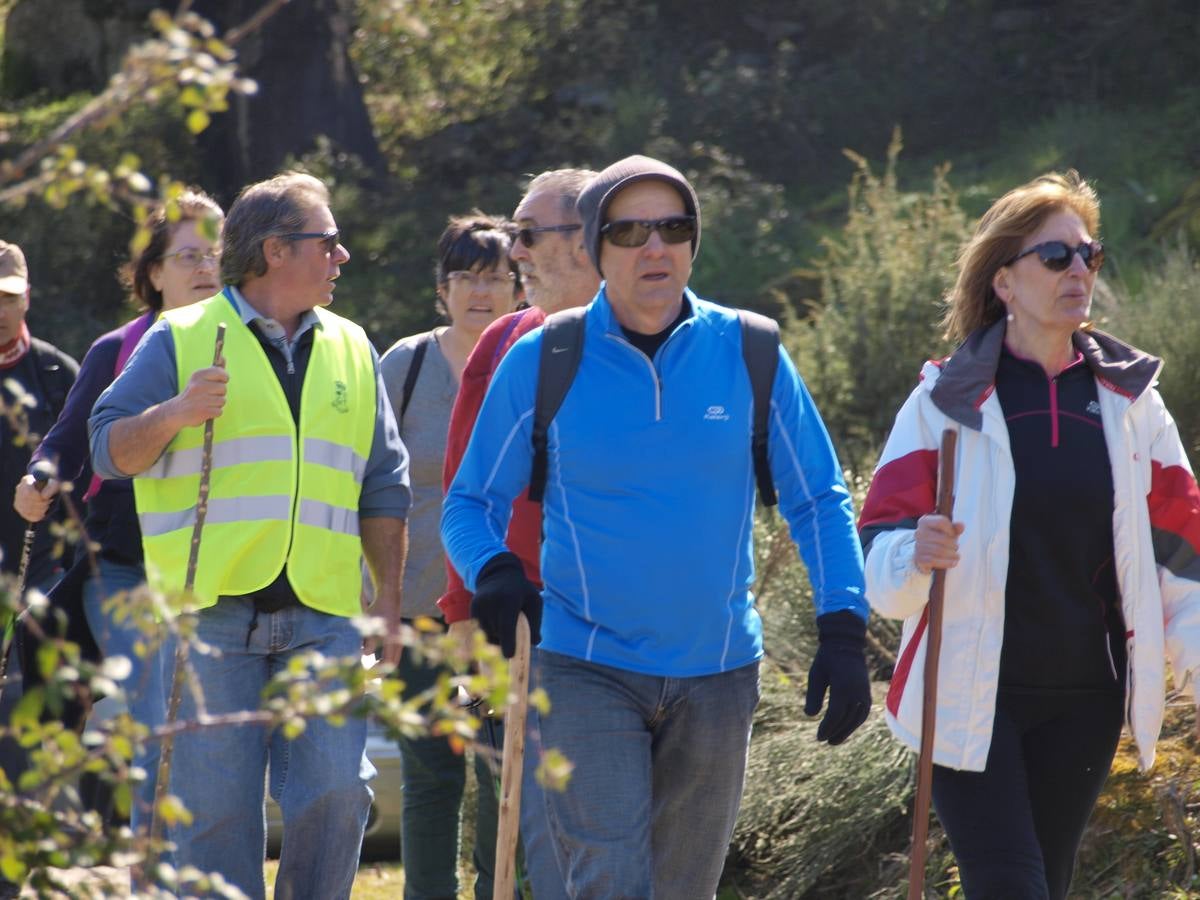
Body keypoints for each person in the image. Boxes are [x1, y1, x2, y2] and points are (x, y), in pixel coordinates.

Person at [441, 155, 871, 898]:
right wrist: (494, 571)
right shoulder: (545, 358)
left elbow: (819, 500)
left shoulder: (753, 351)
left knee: (683, 890)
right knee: (608, 881)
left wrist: (842, 624)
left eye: (673, 228)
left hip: (718, 671)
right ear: (594, 248)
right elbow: (467, 502)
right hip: (583, 666)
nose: (654, 247)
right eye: (631, 230)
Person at [859, 171, 1200, 900]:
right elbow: (880, 552)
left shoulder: (1134, 405)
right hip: (969, 694)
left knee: (1046, 881)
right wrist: (913, 554)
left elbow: (1184, 552)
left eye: (1089, 255)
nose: (1078, 271)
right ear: (1005, 280)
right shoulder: (946, 401)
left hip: (1088, 698)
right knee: (1010, 886)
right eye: (1056, 257)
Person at [89, 171, 410, 900]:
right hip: (207, 616)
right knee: (214, 821)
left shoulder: (355, 348)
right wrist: (174, 412)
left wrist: (387, 599)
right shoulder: (181, 337)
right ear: (274, 250)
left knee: (337, 791)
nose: (342, 256)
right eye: (327, 241)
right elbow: (108, 449)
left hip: (325, 613)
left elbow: (385, 486)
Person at [12, 190, 223, 830]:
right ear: (153, 274)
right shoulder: (116, 348)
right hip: (126, 561)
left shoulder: (250, 344)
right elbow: (68, 439)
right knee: (155, 714)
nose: (204, 267)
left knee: (198, 726)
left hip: (222, 567)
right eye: (188, 255)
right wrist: (41, 476)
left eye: (215, 253)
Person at [379, 212, 520, 900]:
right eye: (465, 276)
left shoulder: (532, 358)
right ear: (442, 290)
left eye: (495, 277)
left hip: (502, 615)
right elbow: (368, 487)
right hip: (416, 616)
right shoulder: (403, 366)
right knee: (431, 771)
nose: (480, 292)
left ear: (521, 288)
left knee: (503, 772)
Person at [0, 238, 79, 900]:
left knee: (24, 743)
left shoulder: (59, 375)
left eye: (9, 298)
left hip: (39, 589)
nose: (0, 310)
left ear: (28, 298)